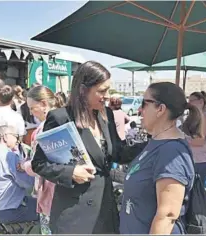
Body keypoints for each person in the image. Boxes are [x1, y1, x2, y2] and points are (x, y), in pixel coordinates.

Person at [31, 61, 125, 234]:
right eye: (102, 91)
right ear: (83, 90)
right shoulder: (61, 118)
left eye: (108, 90)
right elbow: (38, 163)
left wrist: (156, 139)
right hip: (76, 212)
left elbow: (118, 152)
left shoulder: (107, 115)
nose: (107, 96)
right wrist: (70, 173)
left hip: (105, 207)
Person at [120, 82, 198, 234]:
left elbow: (167, 215)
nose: (139, 110)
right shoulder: (156, 142)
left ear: (160, 109)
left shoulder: (171, 152)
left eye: (144, 103)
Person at [21, 85, 65, 234]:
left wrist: (26, 165)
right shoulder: (66, 121)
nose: (31, 112)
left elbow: (38, 165)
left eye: (33, 108)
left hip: (50, 191)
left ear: (44, 104)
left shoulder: (44, 128)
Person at [0, 125, 37, 224]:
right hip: (11, 209)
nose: (18, 140)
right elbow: (28, 183)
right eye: (16, 136)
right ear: (5, 137)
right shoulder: (9, 156)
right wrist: (29, 168)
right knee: (47, 208)